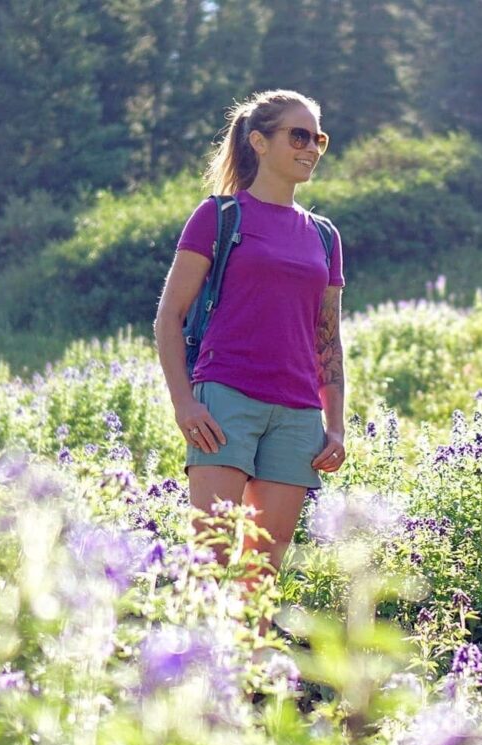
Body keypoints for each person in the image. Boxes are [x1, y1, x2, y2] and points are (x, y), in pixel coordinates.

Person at [153, 89, 346, 580]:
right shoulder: (218, 217)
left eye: (318, 138)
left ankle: (249, 659)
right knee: (212, 555)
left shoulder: (324, 235)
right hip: (225, 400)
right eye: (298, 135)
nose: (310, 149)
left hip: (298, 414)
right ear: (259, 142)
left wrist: (336, 425)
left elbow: (328, 338)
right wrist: (185, 403)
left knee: (263, 567)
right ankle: (197, 657)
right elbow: (169, 317)